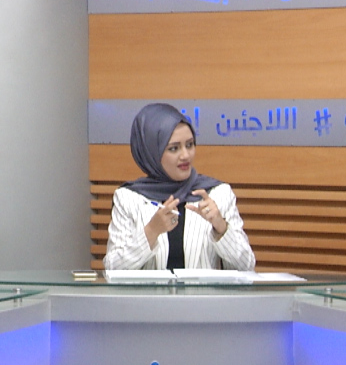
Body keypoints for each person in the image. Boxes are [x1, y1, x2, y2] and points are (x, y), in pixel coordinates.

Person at [104, 103, 254, 271]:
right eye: (174, 148)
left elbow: (246, 266)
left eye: (189, 145)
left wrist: (221, 228)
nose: (185, 155)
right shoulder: (128, 198)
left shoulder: (218, 193)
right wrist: (151, 231)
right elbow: (112, 268)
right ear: (151, 151)